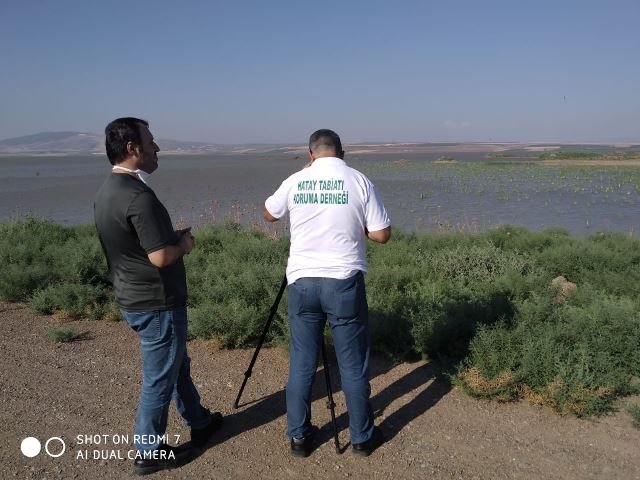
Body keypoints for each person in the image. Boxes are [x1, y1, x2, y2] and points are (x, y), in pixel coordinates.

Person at [94, 117, 222, 475]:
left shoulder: (108, 190)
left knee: (176, 364)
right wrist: (183, 243)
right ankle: (148, 451)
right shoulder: (137, 196)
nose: (157, 148)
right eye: (151, 141)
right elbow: (159, 257)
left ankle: (199, 421)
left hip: (134, 298)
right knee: (159, 378)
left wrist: (168, 239)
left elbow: (131, 246)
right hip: (157, 302)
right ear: (132, 148)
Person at [263, 129, 391, 457]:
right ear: (342, 152)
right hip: (343, 282)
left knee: (302, 362)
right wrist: (358, 226)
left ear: (310, 154)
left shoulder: (297, 179)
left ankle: (299, 437)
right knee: (352, 363)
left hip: (302, 282)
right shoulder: (358, 180)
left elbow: (269, 213)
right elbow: (382, 234)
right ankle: (362, 438)